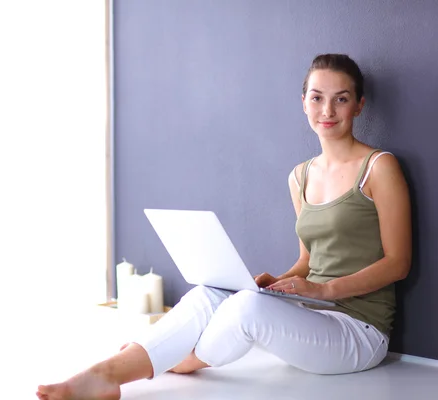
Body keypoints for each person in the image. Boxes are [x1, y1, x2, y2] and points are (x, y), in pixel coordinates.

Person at [36, 53, 412, 400]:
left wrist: (325, 289)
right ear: (303, 103)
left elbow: (398, 263)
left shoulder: (379, 167)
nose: (327, 109)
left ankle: (184, 359)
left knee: (246, 307)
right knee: (211, 293)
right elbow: (308, 260)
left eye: (341, 98)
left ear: (359, 105)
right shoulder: (299, 177)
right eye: (316, 98)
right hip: (310, 315)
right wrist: (279, 283)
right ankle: (105, 374)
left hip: (359, 333)